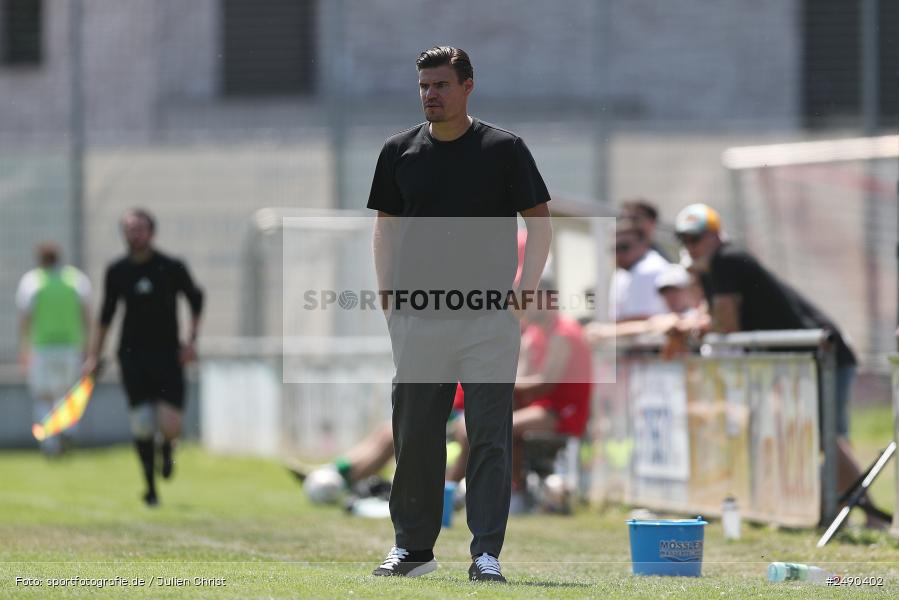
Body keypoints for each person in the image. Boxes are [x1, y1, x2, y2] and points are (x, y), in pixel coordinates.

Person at [367, 46, 552, 581]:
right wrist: (386, 295)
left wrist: (526, 290)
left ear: (467, 86)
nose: (430, 94)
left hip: (488, 320)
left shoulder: (504, 149)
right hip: (419, 319)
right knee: (416, 435)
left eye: (441, 85)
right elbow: (387, 227)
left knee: (490, 435)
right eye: (424, 85)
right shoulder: (398, 151)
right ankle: (413, 549)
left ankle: (486, 553)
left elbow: (539, 223)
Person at [674, 202, 887, 528]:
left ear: (715, 235)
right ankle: (837, 513)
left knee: (826, 437)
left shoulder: (726, 260)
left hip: (822, 355)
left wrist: (699, 324)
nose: (690, 246)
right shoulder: (713, 268)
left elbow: (725, 322)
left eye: (696, 238)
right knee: (818, 437)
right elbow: (718, 316)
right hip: (800, 359)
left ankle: (867, 514)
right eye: (684, 239)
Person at [84, 209, 204, 507]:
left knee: (170, 424)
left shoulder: (171, 266)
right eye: (129, 229)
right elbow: (106, 315)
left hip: (167, 356)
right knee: (141, 423)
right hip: (131, 356)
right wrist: (93, 356)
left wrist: (191, 342)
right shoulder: (117, 270)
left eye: (140, 228)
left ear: (152, 232)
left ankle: (168, 447)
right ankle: (150, 489)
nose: (134, 234)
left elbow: (196, 299)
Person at [447, 279, 592, 511]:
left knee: (493, 427)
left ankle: (503, 493)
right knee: (473, 427)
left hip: (561, 412)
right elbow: (519, 378)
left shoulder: (564, 333)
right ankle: (455, 492)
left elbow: (544, 384)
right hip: (539, 407)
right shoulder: (534, 332)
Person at [16, 242, 91, 455]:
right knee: (67, 394)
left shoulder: (32, 282)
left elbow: (24, 319)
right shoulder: (75, 280)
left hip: (42, 348)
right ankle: (69, 431)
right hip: (70, 346)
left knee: (43, 396)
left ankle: (49, 443)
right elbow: (87, 314)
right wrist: (88, 345)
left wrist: (24, 348)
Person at [609, 220, 670, 322]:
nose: (618, 254)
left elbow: (641, 320)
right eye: (615, 249)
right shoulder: (622, 272)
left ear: (643, 244)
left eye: (624, 247)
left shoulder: (649, 268)